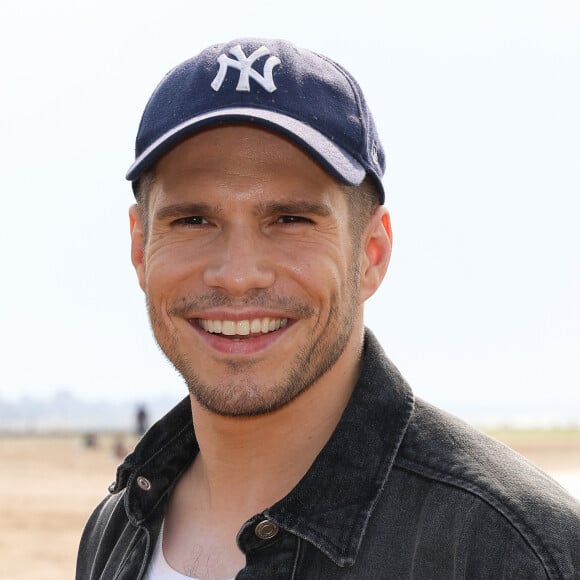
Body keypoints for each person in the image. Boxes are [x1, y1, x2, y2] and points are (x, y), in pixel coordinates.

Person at [76, 38, 579, 580]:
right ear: (138, 247)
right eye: (193, 220)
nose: (239, 274)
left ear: (371, 253)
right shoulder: (117, 528)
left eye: (290, 219)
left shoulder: (506, 551)